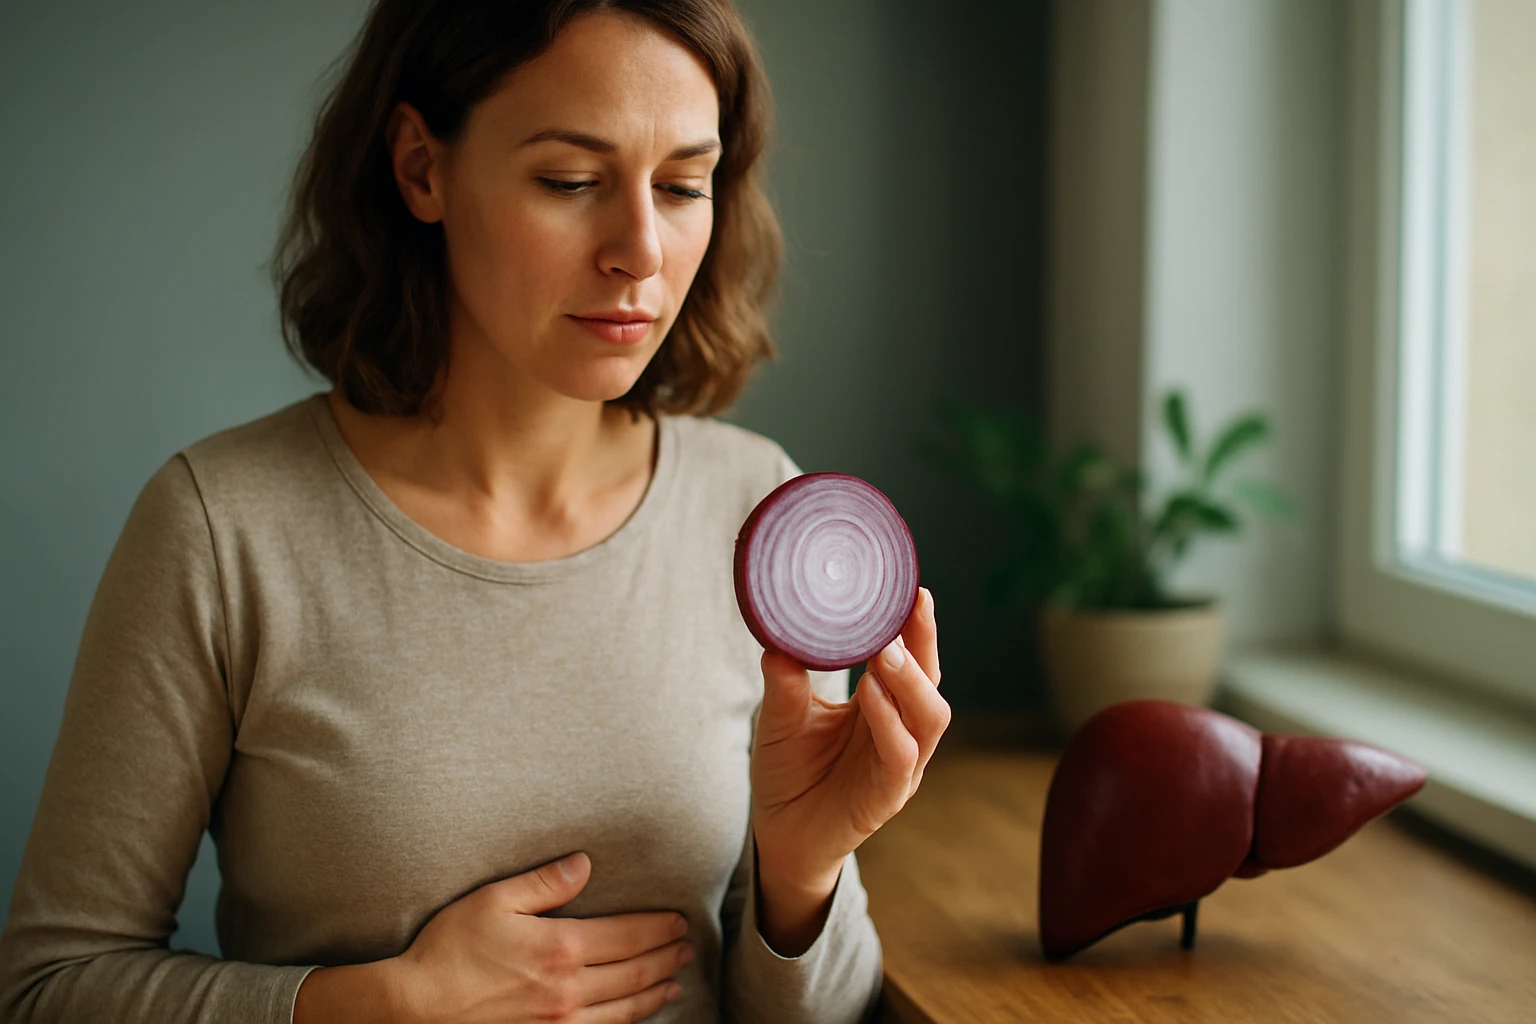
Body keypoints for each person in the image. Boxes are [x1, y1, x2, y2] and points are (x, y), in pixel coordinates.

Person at [0, 1, 950, 1021]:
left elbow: (827, 1014)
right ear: (421, 167)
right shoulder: (223, 529)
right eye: (571, 181)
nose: (641, 248)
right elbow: (52, 986)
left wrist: (803, 870)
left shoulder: (758, 511)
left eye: (683, 185)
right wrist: (381, 1004)